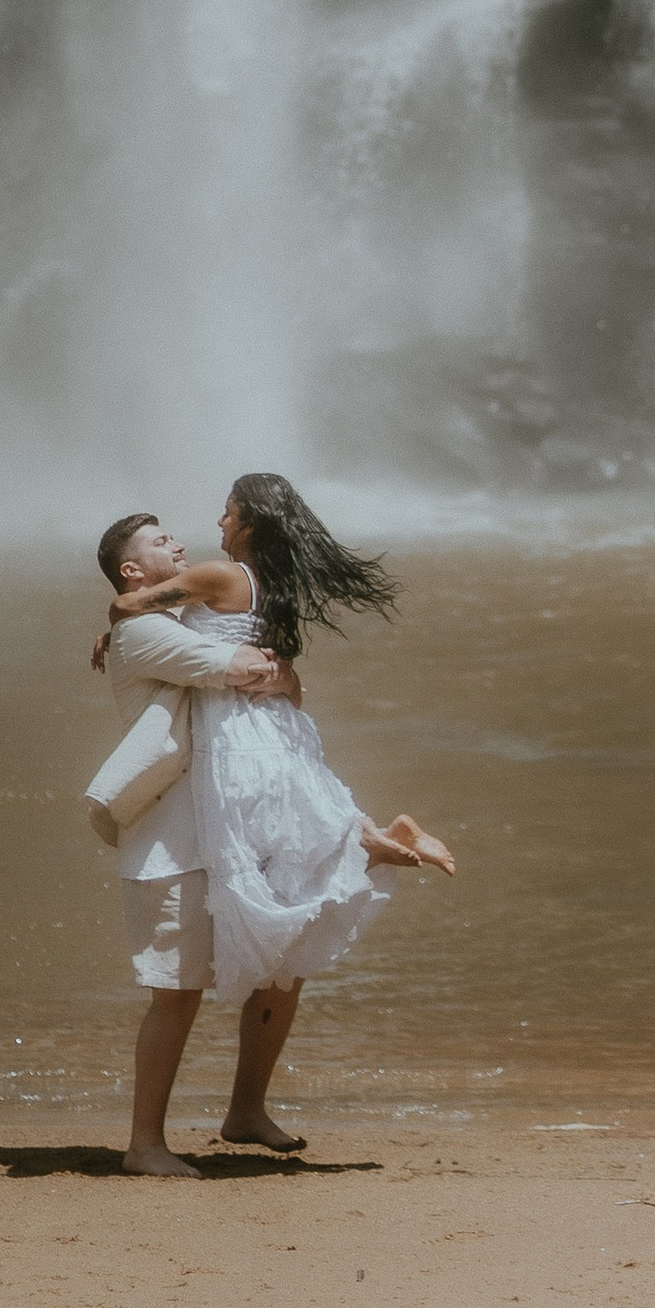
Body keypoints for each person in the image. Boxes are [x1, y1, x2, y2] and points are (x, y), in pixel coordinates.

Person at [93, 477, 454, 1176]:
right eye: (160, 539)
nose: (201, 527)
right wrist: (279, 675)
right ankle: (372, 840)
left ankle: (245, 1109)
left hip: (238, 774)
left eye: (224, 512)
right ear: (134, 565)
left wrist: (275, 673)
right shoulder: (192, 609)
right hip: (202, 803)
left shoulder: (211, 583)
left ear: (250, 523)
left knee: (282, 956)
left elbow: (231, 657)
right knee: (187, 979)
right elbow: (234, 661)